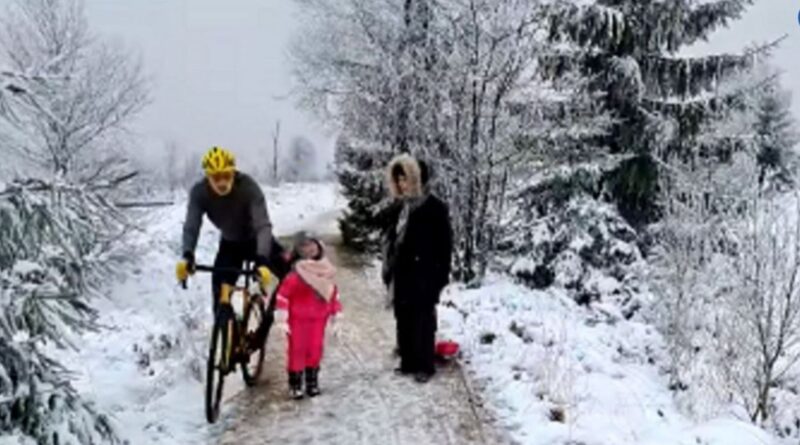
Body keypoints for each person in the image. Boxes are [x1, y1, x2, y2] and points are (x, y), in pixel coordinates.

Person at [175, 146, 288, 314]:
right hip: (230, 244)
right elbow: (192, 225)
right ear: (207, 177)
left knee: (290, 274)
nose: (222, 183)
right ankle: (223, 329)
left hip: (256, 240)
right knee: (220, 291)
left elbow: (263, 225)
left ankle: (291, 317)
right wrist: (187, 254)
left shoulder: (248, 188)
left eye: (226, 176)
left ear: (234, 173)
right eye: (216, 178)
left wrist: (262, 258)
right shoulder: (199, 193)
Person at [382, 154, 452, 383]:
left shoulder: (435, 208)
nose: (402, 185)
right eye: (398, 180)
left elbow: (445, 246)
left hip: (425, 275)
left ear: (418, 179)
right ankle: (408, 361)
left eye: (406, 179)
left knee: (423, 320)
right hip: (402, 274)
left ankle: (425, 365)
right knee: (403, 317)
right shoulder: (400, 207)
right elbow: (391, 241)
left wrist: (440, 278)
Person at [273, 231, 341, 399]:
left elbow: (332, 295)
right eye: (303, 245)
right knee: (297, 351)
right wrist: (282, 319)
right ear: (298, 250)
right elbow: (283, 295)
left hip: (319, 320)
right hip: (298, 321)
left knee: (315, 350)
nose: (309, 249)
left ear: (319, 246)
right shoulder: (296, 275)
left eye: (312, 244)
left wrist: (336, 316)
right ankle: (295, 383)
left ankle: (312, 381)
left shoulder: (326, 272)